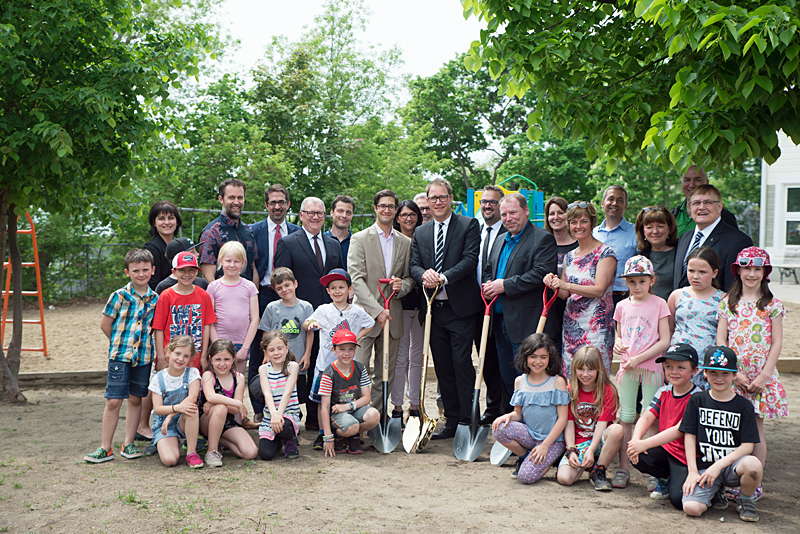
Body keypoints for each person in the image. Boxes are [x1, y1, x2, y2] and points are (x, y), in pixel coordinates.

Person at [409, 177, 482, 439]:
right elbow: (414, 265)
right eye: (433, 198)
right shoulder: (421, 231)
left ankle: (468, 419)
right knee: (442, 366)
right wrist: (424, 275)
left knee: (462, 363)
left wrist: (444, 277)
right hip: (432, 310)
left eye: (442, 197)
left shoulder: (468, 225)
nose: (438, 202)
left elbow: (470, 260)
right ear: (427, 202)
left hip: (460, 308)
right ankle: (451, 420)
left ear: (451, 198)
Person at [716, 247, 787, 498]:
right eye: (747, 268)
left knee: (755, 432)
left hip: (760, 379)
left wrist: (764, 376)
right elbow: (721, 340)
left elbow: (777, 343)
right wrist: (733, 374)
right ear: (738, 271)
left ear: (764, 272)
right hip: (735, 378)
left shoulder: (772, 305)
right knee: (731, 430)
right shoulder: (728, 303)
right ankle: (732, 480)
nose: (751, 273)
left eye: (757, 269)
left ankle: (754, 484)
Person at [274, 196, 344, 430]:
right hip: (300, 314)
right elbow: (281, 279)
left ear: (325, 216)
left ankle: (318, 416)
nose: (315, 217)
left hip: (330, 315)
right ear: (301, 215)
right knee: (302, 362)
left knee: (326, 362)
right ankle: (295, 413)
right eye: (310, 213)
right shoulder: (288, 242)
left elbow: (338, 277)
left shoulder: (333, 243)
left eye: (320, 214)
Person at [84, 249, 158, 463]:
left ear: (152, 271)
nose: (141, 274)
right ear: (128, 272)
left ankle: (129, 443)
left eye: (145, 270)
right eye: (136, 270)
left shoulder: (156, 299)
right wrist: (119, 344)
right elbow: (105, 324)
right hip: (120, 357)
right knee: (114, 400)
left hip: (143, 357)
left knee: (136, 399)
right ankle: (105, 447)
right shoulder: (118, 296)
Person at [483, 193, 559, 402]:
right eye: (504, 214)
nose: (508, 218)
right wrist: (489, 284)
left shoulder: (542, 238)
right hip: (499, 322)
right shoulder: (500, 240)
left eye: (513, 213)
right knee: (509, 380)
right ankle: (516, 426)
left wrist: (504, 285)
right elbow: (489, 270)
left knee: (530, 379)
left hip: (528, 323)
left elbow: (540, 273)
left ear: (526, 211)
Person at [680, 346, 763, 522]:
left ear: (734, 375)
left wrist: (719, 466)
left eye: (725, 373)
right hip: (704, 467)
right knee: (691, 508)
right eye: (713, 373)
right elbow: (689, 435)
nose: (719, 378)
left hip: (733, 466)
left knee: (754, 466)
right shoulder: (697, 400)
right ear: (704, 374)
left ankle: (745, 498)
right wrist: (692, 471)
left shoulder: (744, 406)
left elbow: (748, 446)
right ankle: (715, 491)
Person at [348, 190, 413, 411]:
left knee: (386, 372)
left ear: (396, 211)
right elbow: (357, 280)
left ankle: (375, 419)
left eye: (391, 206)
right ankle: (356, 420)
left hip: (392, 316)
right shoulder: (359, 238)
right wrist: (377, 311)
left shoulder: (404, 242)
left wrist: (401, 286)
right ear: (375, 208)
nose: (387, 210)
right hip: (365, 318)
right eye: (382, 206)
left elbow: (409, 278)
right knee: (359, 371)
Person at [612, 255, 672, 489]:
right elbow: (620, 334)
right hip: (628, 368)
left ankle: (650, 470)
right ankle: (624, 468)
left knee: (651, 417)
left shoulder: (659, 304)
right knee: (626, 416)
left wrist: (638, 358)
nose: (637, 287)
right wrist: (618, 344)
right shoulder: (621, 306)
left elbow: (664, 341)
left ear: (652, 280)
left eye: (642, 281)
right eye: (632, 282)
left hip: (650, 369)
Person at [303, 269, 374, 450]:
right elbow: (306, 324)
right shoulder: (323, 310)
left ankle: (349, 432)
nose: (337, 291)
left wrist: (356, 337)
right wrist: (311, 324)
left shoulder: (356, 311)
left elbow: (371, 323)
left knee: (345, 399)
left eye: (341, 287)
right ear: (327, 291)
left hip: (346, 367)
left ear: (350, 289)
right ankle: (322, 433)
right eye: (332, 288)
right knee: (322, 402)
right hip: (325, 365)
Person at [544, 201, 616, 376]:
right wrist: (552, 282)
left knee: (594, 376)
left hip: (596, 327)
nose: (578, 226)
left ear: (591, 223)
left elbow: (599, 289)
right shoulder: (570, 256)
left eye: (583, 221)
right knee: (572, 378)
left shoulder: (605, 253)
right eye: (574, 222)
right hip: (571, 327)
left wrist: (566, 285)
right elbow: (564, 294)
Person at [627, 343, 702, 509]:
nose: (673, 372)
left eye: (680, 367)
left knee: (678, 500)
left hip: (685, 456)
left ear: (694, 371)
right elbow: (647, 417)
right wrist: (635, 440)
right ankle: (665, 477)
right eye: (669, 367)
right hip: (665, 449)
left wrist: (644, 443)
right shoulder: (663, 391)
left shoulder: (697, 397)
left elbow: (680, 430)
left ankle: (678, 480)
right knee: (638, 456)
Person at [491, 333, 568, 483]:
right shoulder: (520, 381)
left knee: (525, 477)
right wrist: (507, 416)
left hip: (552, 440)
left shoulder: (557, 382)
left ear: (550, 358)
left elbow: (563, 419)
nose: (538, 361)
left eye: (543, 357)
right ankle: (525, 456)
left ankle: (553, 458)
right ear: (525, 357)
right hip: (530, 435)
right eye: (533, 356)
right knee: (498, 428)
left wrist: (545, 446)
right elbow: (518, 413)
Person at [254, 267, 313, 434]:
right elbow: (265, 333)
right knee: (277, 390)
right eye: (279, 288)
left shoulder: (306, 307)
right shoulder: (272, 307)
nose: (284, 290)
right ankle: (279, 419)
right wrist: (266, 355)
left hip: (297, 359)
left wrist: (307, 354)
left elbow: (309, 333)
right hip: (276, 359)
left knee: (297, 392)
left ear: (295, 284)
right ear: (274, 289)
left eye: (287, 285)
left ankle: (293, 418)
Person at [556, 345, 624, 491]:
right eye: (581, 369)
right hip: (579, 442)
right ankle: (585, 465)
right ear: (574, 369)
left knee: (617, 430)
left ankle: (598, 470)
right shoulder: (569, 391)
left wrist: (591, 450)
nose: (585, 374)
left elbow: (602, 424)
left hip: (600, 441)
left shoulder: (607, 390)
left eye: (590, 369)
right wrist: (571, 450)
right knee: (564, 478)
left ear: (598, 370)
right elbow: (568, 424)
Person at [672, 184, 752, 291]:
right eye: (696, 203)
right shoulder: (684, 238)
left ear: (719, 207)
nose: (701, 207)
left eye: (708, 202)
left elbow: (734, 287)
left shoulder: (739, 241)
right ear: (690, 207)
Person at [474, 186, 508, 423]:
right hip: (476, 305)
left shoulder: (508, 231)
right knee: (484, 359)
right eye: (484, 202)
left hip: (501, 306)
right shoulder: (474, 230)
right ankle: (492, 406)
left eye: (493, 202)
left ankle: (506, 408)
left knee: (502, 360)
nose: (487, 206)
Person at [319, 329, 381, 456]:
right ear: (334, 349)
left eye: (351, 349)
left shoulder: (360, 368)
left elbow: (366, 398)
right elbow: (324, 407)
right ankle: (339, 435)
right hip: (336, 414)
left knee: (374, 415)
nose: (347, 353)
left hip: (352, 409)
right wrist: (328, 437)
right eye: (342, 349)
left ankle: (352, 435)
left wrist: (347, 406)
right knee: (352, 425)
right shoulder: (329, 373)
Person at [667, 247, 723, 388]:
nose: (695, 276)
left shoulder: (723, 299)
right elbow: (668, 331)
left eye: (702, 272)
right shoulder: (677, 295)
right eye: (691, 271)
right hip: (677, 365)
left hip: (707, 367)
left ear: (714, 273)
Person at [152, 252, 217, 371]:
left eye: (191, 270)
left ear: (197, 272)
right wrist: (161, 357)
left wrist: (203, 357)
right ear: (174, 272)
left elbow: (206, 326)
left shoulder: (204, 296)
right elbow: (158, 328)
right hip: (171, 358)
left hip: (195, 359)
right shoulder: (166, 296)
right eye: (182, 270)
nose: (187, 274)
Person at [199, 339, 258, 467]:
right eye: (217, 359)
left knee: (250, 453)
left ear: (233, 359)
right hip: (206, 421)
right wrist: (235, 403)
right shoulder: (208, 375)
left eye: (226, 359)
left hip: (227, 423)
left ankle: (219, 440)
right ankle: (212, 451)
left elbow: (235, 410)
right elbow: (210, 396)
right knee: (220, 408)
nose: (222, 364)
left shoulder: (239, 378)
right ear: (210, 359)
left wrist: (220, 402)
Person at [391, 200, 424, 425]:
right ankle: (397, 407)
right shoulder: (392, 239)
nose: (408, 218)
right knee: (399, 358)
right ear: (397, 217)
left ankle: (415, 406)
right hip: (399, 304)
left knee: (417, 357)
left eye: (412, 214)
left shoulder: (423, 237)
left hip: (422, 305)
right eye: (403, 214)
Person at [149, 335, 203, 468]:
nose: (181, 359)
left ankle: (191, 452)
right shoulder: (159, 378)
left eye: (186, 356)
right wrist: (170, 415)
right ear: (168, 352)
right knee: (170, 460)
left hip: (184, 421)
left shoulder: (193, 373)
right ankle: (166, 443)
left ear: (190, 358)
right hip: (164, 425)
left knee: (191, 408)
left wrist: (171, 415)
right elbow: (158, 408)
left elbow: (192, 398)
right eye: (177, 353)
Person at [207, 241, 259, 376]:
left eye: (236, 261)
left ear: (243, 262)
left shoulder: (250, 287)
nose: (232, 265)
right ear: (221, 261)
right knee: (218, 383)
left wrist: (245, 347)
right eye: (228, 261)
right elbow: (209, 320)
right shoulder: (213, 287)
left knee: (237, 382)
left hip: (241, 344)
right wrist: (218, 345)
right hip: (219, 342)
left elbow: (254, 319)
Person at [197, 178, 258, 284]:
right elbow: (207, 276)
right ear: (221, 199)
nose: (236, 202)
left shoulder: (249, 231)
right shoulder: (211, 232)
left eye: (240, 197)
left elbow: (253, 270)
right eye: (231, 197)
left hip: (247, 297)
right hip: (221, 298)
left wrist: (254, 296)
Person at [251, 183, 301, 314]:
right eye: (273, 203)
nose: (277, 207)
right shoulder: (253, 231)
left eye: (281, 202)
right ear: (266, 205)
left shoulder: (298, 233)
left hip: (290, 295)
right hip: (262, 294)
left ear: (288, 204)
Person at [257, 331, 302, 461]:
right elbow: (267, 393)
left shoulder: (292, 366)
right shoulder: (263, 369)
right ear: (266, 352)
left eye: (280, 348)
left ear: (287, 348)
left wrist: (279, 415)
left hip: (288, 413)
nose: (276, 353)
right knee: (266, 454)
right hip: (271, 416)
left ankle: (290, 440)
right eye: (271, 350)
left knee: (285, 425)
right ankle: (277, 440)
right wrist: (274, 415)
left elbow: (288, 392)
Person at [593, 185, 638, 306]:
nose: (615, 203)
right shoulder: (593, 233)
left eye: (620, 200)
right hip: (594, 297)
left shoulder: (636, 232)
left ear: (625, 206)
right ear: (603, 203)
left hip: (624, 296)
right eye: (611, 199)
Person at [543, 196, 577, 355]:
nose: (555, 217)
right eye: (551, 214)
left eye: (560, 212)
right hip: (548, 307)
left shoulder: (579, 244)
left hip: (572, 306)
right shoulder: (541, 243)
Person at [672, 165, 738, 237]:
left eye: (697, 180)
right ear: (682, 184)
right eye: (687, 180)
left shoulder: (724, 216)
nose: (691, 185)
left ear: (707, 183)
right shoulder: (673, 215)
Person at [634, 205, 678, 301]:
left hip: (674, 311)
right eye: (649, 227)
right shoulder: (639, 258)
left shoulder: (681, 252)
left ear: (669, 228)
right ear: (643, 231)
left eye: (660, 226)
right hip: (646, 311)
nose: (655, 231)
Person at [143, 200, 181, 291]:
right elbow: (152, 284)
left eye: (171, 218)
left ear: (177, 221)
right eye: (161, 218)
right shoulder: (151, 248)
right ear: (154, 222)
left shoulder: (180, 246)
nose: (167, 222)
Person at [324, 195, 354, 270]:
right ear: (332, 212)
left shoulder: (356, 242)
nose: (344, 215)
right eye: (340, 211)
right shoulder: (321, 240)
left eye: (348, 212)